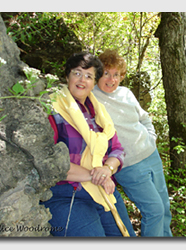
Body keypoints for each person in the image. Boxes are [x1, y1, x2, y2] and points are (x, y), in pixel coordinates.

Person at [41, 52, 136, 237]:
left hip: (102, 190)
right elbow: (48, 161)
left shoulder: (98, 112)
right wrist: (96, 176)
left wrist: (107, 169)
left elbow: (117, 149)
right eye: (77, 73)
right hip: (66, 193)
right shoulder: (52, 108)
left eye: (89, 76)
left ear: (94, 83)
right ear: (67, 75)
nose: (82, 80)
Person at [92, 49, 173, 237]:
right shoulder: (92, 98)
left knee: (164, 208)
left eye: (116, 75)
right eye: (106, 73)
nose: (111, 79)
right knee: (154, 210)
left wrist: (151, 137)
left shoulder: (126, 93)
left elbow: (144, 118)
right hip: (128, 166)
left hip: (151, 155)